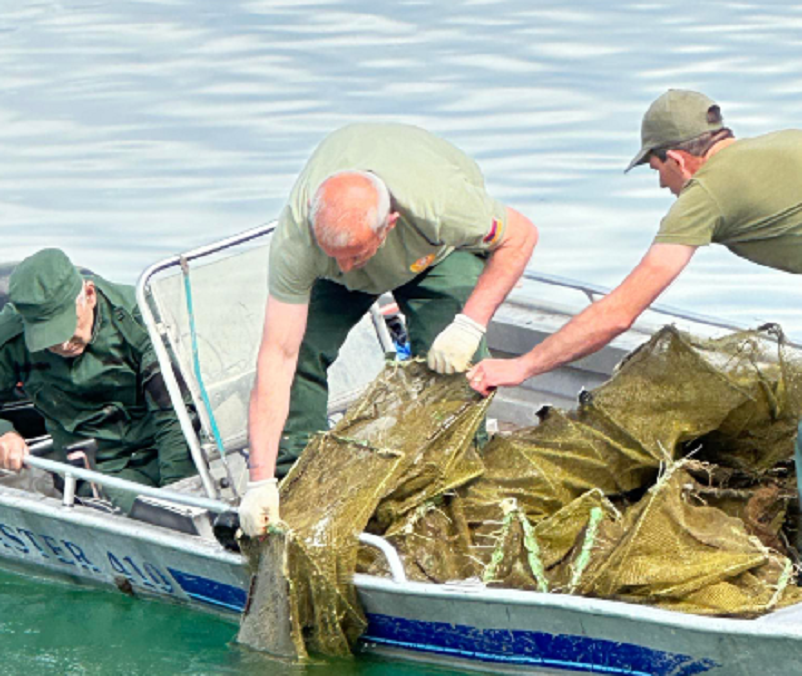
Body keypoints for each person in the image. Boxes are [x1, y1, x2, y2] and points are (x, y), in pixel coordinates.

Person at [466, 88, 802, 504]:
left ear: (677, 159)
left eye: (655, 168)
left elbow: (620, 312)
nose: (662, 184)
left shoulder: (707, 194)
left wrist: (523, 366)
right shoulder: (785, 141)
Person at [239, 122, 539, 536]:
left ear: (389, 223)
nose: (347, 265)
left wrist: (470, 325)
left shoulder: (442, 205)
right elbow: (278, 355)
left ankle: (457, 483)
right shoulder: (298, 242)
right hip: (334, 270)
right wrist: (260, 480)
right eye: (337, 255)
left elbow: (521, 238)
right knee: (303, 351)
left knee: (452, 360)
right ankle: (296, 483)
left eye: (355, 254)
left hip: (433, 254)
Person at [0, 248, 197, 512]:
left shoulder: (140, 318)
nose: (63, 343)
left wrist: (180, 496)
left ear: (89, 295)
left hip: (163, 447)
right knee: (146, 514)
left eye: (66, 326)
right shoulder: (11, 335)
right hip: (98, 466)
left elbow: (173, 413)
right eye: (48, 336)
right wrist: (5, 433)